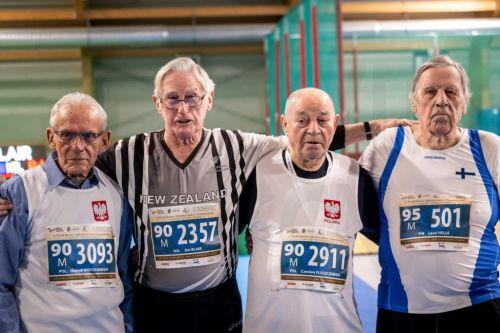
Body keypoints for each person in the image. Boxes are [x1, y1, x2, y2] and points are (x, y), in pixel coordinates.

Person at [0, 57, 411, 333]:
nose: (184, 109)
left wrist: (372, 128)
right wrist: (8, 193)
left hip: (219, 306)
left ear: (209, 100)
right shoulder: (125, 154)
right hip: (154, 308)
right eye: (173, 99)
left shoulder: (237, 146)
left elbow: (305, 136)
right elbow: (73, 159)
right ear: (157, 103)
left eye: (193, 98)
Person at [360, 55, 499, 332]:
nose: (441, 100)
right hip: (401, 311)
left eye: (451, 91)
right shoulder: (385, 148)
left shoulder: (490, 149)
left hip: (479, 307)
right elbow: (358, 212)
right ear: (414, 103)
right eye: (430, 91)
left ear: (464, 101)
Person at [241, 87, 380, 332]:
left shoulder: (355, 177)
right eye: (302, 120)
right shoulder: (258, 174)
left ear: (335, 123)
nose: (313, 129)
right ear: (284, 124)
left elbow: (391, 242)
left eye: (323, 120)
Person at [0, 93, 134, 333]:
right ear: (51, 138)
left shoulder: (116, 194)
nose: (77, 146)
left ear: (104, 141)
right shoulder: (20, 193)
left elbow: (124, 278)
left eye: (89, 136)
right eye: (67, 135)